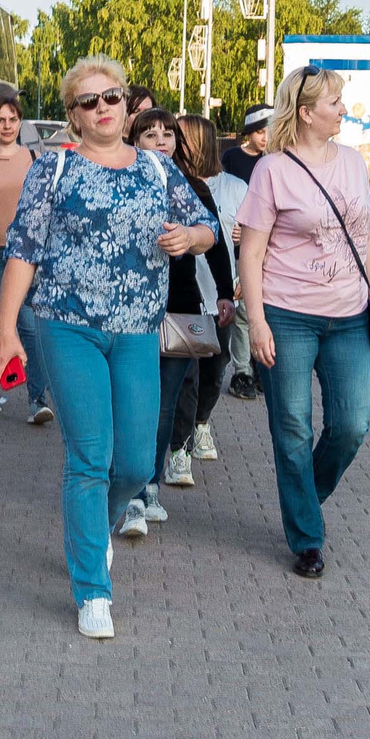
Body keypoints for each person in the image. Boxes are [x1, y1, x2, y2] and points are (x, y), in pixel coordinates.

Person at [0, 56, 214, 641]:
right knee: (90, 456)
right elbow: (24, 249)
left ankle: (97, 530)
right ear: (74, 115)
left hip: (138, 329)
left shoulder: (157, 170)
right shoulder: (53, 169)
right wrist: (6, 328)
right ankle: (92, 588)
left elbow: (206, 226)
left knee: (137, 462)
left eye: (111, 97)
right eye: (89, 102)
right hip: (68, 325)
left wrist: (189, 238)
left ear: (124, 102)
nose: (103, 108)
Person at [239, 67, 370, 579]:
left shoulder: (353, 163)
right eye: (335, 102)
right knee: (293, 428)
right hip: (287, 314)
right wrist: (257, 323)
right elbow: (250, 255)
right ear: (305, 113)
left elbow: (363, 237)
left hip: (349, 316)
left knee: (350, 426)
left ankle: (303, 499)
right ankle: (306, 537)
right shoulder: (272, 170)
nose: (344, 109)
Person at [136, 109, 236, 515]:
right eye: (149, 134)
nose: (161, 140)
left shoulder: (192, 187)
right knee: (133, 401)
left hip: (179, 305)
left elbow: (213, 242)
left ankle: (149, 486)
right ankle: (124, 479)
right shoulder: (123, 183)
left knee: (166, 404)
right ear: (134, 139)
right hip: (130, 312)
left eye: (168, 134)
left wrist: (225, 294)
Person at [0, 88, 51, 423]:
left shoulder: (35, 160)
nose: (7, 125)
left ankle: (37, 398)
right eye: (0, 120)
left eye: (13, 119)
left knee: (29, 324)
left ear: (21, 122)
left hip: (29, 252)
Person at [171, 113, 235, 467]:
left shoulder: (229, 187)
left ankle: (201, 423)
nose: (172, 141)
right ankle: (179, 446)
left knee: (214, 370)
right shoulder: (175, 182)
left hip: (218, 295)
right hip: (189, 295)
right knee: (187, 377)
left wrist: (231, 287)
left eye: (179, 135)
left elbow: (224, 244)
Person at [218, 104, 273, 401]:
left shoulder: (275, 160)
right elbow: (227, 198)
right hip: (241, 246)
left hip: (267, 246)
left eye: (269, 132)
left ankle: (259, 364)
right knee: (242, 310)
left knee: (264, 307)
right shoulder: (232, 158)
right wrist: (237, 227)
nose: (265, 138)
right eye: (260, 132)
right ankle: (242, 371)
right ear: (249, 133)